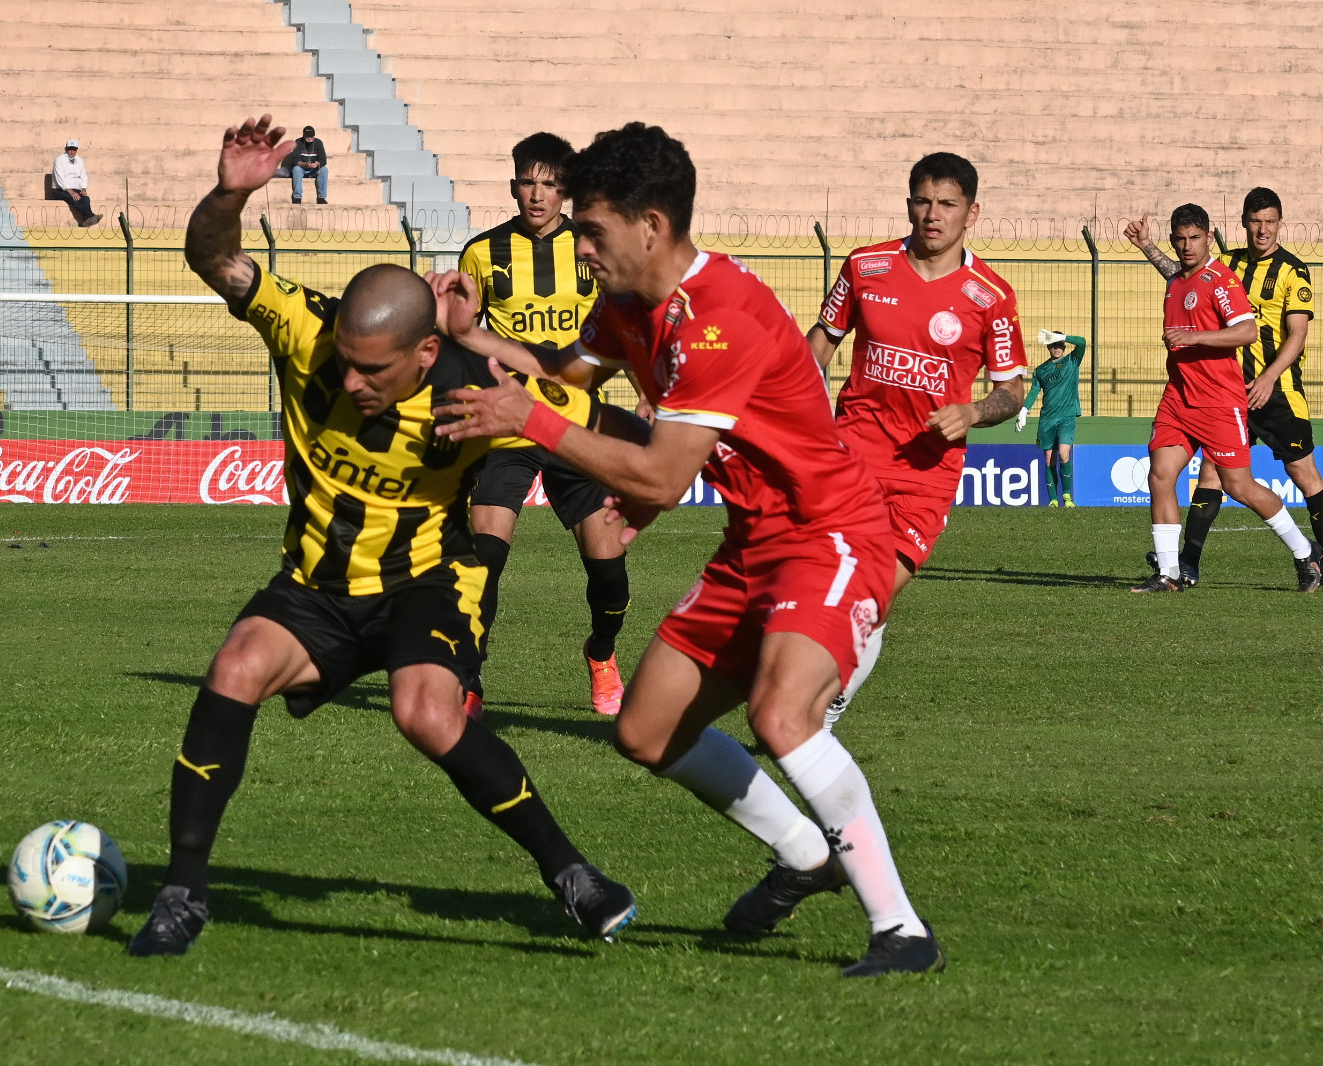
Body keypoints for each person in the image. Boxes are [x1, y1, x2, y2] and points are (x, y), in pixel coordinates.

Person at [431, 123, 944, 977]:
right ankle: (805, 855)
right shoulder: (629, 305)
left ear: (652, 227)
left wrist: (533, 422)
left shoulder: (720, 317)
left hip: (831, 533)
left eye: (592, 231)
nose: (580, 246)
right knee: (645, 728)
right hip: (753, 543)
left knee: (782, 718)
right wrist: (474, 336)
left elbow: (663, 477)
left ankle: (900, 929)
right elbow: (570, 374)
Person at [127, 114, 637, 958]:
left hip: (423, 585)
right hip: (317, 587)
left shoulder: (474, 388)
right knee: (234, 666)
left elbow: (609, 421)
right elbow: (215, 259)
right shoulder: (305, 333)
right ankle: (182, 893)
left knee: (424, 712)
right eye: (346, 362)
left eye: (375, 369)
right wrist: (230, 195)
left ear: (428, 350)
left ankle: (572, 874)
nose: (353, 379)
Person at [808, 152, 1027, 727]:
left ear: (971, 213)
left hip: (925, 475)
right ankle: (810, 719)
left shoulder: (991, 296)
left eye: (947, 204)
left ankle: (826, 707)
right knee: (825, 591)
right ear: (909, 204)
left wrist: (974, 412)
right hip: (850, 455)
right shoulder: (865, 267)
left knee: (872, 600)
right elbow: (823, 342)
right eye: (923, 201)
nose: (933, 215)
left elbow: (1012, 392)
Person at [458, 132, 630, 718]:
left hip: (576, 430)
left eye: (550, 183)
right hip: (507, 427)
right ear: (513, 187)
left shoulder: (593, 251)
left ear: (567, 191)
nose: (538, 194)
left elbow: (627, 328)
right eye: (528, 182)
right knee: (485, 557)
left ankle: (601, 653)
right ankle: (469, 680)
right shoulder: (482, 254)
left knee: (609, 575)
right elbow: (463, 336)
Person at [1126, 188, 1323, 585]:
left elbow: (1291, 333)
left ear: (1280, 223)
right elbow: (1182, 278)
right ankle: (1179, 568)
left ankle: (1309, 555)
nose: (1262, 229)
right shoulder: (1224, 262)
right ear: (1243, 224)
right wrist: (1147, 247)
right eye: (1255, 221)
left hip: (1272, 388)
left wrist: (1267, 377)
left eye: (1269, 221)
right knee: (1182, 475)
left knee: (1290, 475)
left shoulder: (1290, 270)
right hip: (1195, 393)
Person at [1017, 331, 1087, 507]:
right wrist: (1024, 410)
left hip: (1067, 416)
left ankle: (1067, 496)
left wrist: (1062, 337)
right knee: (1049, 459)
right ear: (1048, 347)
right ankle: (1053, 500)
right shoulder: (1041, 370)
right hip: (1047, 419)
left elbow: (1083, 342)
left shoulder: (1072, 361)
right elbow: (1034, 391)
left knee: (1064, 454)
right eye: (1053, 345)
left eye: (1060, 345)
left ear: (1064, 346)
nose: (1057, 348)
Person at [51, 139, 101, 227]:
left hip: (75, 189)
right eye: (70, 149)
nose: (72, 152)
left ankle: (86, 220)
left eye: (74, 149)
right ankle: (91, 216)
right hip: (60, 190)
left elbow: (83, 175)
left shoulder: (79, 160)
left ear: (76, 150)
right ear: (66, 149)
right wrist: (71, 192)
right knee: (75, 198)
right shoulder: (59, 160)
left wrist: (83, 189)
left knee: (86, 199)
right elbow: (60, 179)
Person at [285, 126, 328, 204]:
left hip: (313, 170)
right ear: (304, 135)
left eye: (312, 136)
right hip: (302, 169)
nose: (310, 138)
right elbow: (295, 160)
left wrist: (316, 164)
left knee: (324, 169)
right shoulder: (298, 142)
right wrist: (305, 164)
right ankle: (297, 197)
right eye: (308, 136)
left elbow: (323, 160)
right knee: (296, 169)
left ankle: (321, 197)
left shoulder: (318, 143)